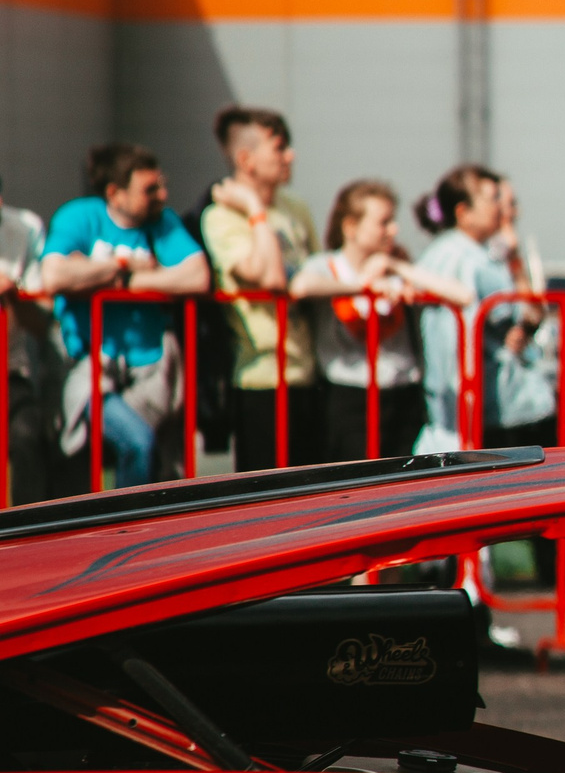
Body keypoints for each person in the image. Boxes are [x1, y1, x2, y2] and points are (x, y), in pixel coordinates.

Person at [41, 144, 210, 490]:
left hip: (150, 368)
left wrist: (127, 281)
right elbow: (54, 276)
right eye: (150, 189)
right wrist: (121, 265)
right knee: (135, 442)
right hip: (91, 366)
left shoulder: (163, 223)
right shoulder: (81, 216)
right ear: (114, 194)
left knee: (154, 456)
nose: (162, 195)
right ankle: (117, 526)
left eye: (161, 185)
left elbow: (197, 276)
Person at [291, 180, 466, 462]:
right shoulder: (327, 266)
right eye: (383, 222)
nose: (393, 230)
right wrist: (364, 287)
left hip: (403, 398)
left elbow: (462, 295)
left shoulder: (397, 267)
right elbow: (300, 286)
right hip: (351, 401)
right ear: (350, 227)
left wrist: (396, 267)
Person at [200, 106, 324, 471]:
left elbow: (315, 267)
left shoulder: (295, 207)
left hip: (307, 369)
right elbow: (268, 277)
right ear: (246, 159)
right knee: (269, 496)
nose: (290, 156)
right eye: (279, 147)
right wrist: (255, 208)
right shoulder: (222, 215)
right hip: (261, 375)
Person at [410, 165, 514, 452]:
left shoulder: (480, 252)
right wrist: (462, 392)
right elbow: (450, 334)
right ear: (463, 211)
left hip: (481, 403)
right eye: (492, 198)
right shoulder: (454, 256)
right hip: (456, 411)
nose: (500, 207)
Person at [481, 173, 559, 454]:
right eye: (507, 203)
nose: (515, 212)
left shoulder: (510, 255)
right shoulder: (478, 260)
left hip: (526, 394)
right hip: (496, 404)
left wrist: (513, 257)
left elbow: (534, 310)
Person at [1, 178, 62, 504]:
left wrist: (15, 297)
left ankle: (27, 535)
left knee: (27, 437)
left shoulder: (22, 228)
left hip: (10, 370)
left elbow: (41, 321)